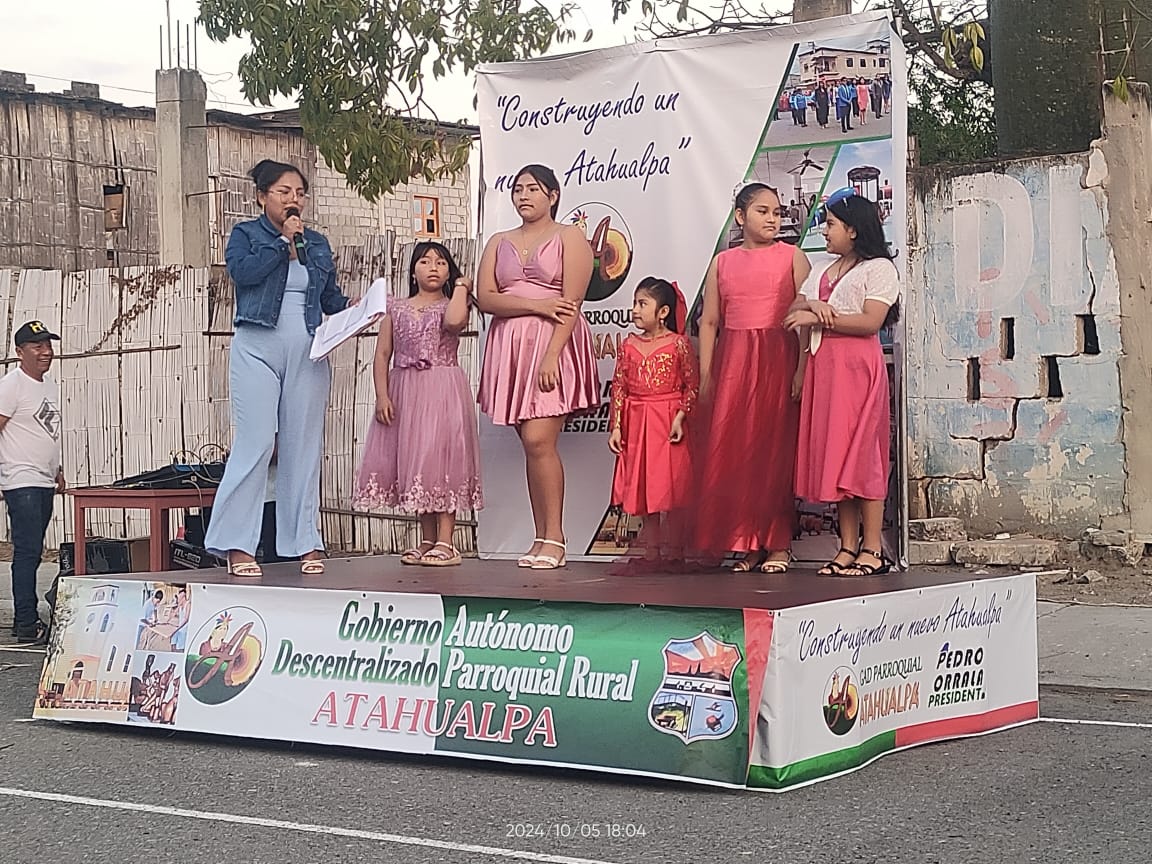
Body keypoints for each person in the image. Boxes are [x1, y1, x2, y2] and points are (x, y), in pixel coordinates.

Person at [205, 159, 355, 577]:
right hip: (258, 343)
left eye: (300, 193)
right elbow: (243, 274)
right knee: (255, 443)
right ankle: (237, 544)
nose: (294, 200)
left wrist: (353, 308)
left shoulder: (316, 242)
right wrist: (281, 243)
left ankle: (303, 541)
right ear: (262, 197)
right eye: (284, 192)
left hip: (308, 348)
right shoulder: (246, 235)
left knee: (302, 447)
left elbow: (328, 297)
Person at [476, 164, 599, 570]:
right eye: (518, 189)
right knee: (530, 444)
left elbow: (571, 302)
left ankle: (556, 537)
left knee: (539, 440)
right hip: (510, 347)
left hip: (553, 344)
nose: (523, 196)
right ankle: (541, 535)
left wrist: (552, 354)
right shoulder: (499, 241)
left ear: (553, 195)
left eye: (532, 188)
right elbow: (486, 298)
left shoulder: (570, 237)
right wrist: (535, 305)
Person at [694, 184, 811, 572]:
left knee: (775, 451)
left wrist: (800, 369)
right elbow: (709, 322)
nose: (773, 219)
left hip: (777, 358)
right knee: (737, 451)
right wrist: (707, 375)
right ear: (741, 217)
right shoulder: (722, 263)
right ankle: (747, 542)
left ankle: (777, 542)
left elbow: (806, 320)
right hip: (734, 363)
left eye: (777, 212)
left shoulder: (793, 257)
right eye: (763, 211)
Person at [785, 189, 900, 577]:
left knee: (863, 455)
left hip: (857, 369)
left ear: (853, 229)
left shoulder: (879, 268)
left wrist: (821, 316)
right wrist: (811, 307)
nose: (825, 231)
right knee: (838, 457)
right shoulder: (821, 268)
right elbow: (794, 310)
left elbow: (870, 321)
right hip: (824, 368)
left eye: (831, 224)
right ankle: (847, 547)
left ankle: (873, 549)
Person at [354, 241, 483, 567]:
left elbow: (454, 322)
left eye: (441, 262)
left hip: (442, 389)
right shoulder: (395, 308)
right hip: (406, 391)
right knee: (418, 461)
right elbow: (382, 354)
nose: (433, 268)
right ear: (412, 271)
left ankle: (446, 541)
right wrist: (382, 395)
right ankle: (427, 539)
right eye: (425, 262)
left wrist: (462, 286)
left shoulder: (454, 304)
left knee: (442, 459)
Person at [608, 278, 699, 545]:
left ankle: (675, 548)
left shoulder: (678, 344)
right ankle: (652, 549)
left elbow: (692, 386)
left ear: (663, 312)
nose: (635, 310)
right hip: (637, 423)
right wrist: (616, 427)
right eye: (634, 304)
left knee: (672, 485)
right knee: (643, 485)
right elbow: (619, 387)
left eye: (642, 304)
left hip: (667, 423)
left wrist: (680, 418)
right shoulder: (628, 345)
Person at [0, 321, 64, 644]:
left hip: (44, 480)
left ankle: (25, 618)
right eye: (37, 346)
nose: (46, 352)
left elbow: (46, 433)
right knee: (27, 551)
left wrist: (57, 469)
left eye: (48, 345)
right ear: (19, 352)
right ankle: (26, 621)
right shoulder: (11, 385)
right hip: (20, 478)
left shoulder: (49, 386)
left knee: (35, 551)